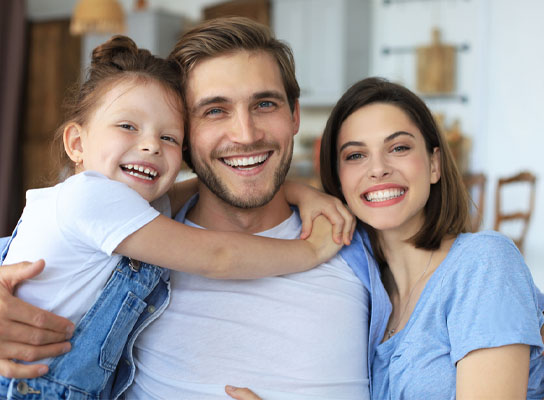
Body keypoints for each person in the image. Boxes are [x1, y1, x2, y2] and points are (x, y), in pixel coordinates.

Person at [0, 18, 544, 400]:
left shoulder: (346, 236)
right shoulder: (140, 247)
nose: (246, 133)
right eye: (215, 111)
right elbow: (37, 258)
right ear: (184, 136)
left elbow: (451, 278)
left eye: (265, 104)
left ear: (295, 117)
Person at [0, 35, 349, 398]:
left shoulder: (142, 206)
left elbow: (196, 187)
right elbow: (218, 257)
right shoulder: (90, 197)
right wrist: (310, 251)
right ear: (76, 143)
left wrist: (294, 189)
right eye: (127, 126)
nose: (151, 145)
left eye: (167, 136)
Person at [319, 77, 544, 398]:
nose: (378, 169)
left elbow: (490, 273)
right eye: (355, 155)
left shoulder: (483, 262)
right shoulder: (365, 293)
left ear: (434, 164)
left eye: (398, 148)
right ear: (339, 180)